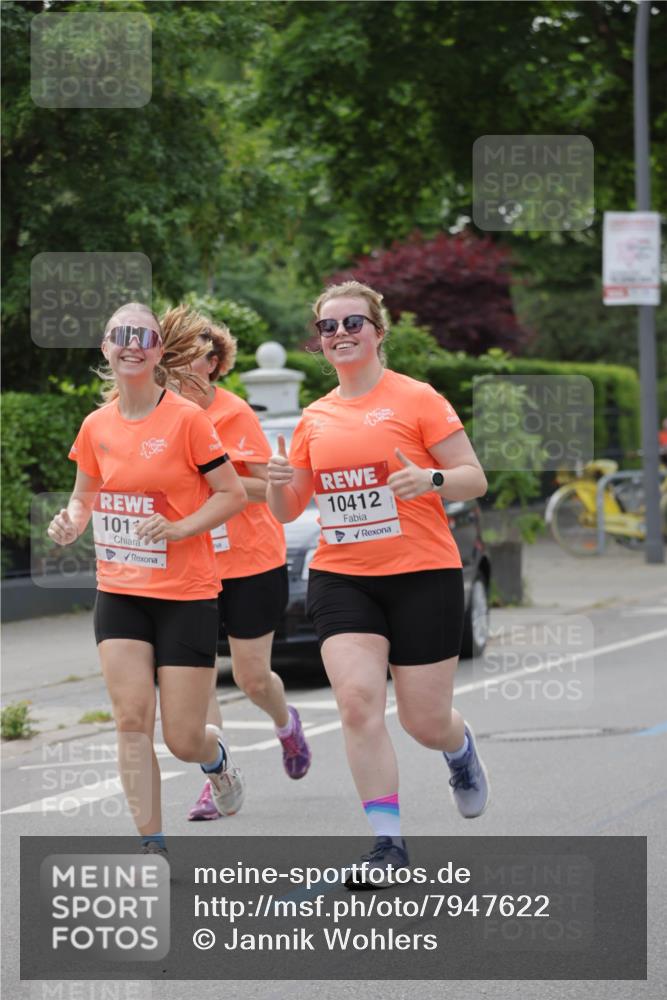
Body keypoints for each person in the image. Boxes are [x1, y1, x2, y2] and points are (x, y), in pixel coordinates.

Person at [267, 280, 490, 887]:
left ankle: (458, 748)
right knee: (357, 702)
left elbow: (474, 477)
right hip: (343, 576)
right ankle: (387, 844)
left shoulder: (417, 399)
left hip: (422, 573)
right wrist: (277, 479)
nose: (340, 334)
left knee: (423, 720)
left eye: (352, 324)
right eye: (329, 327)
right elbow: (288, 511)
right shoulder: (315, 418)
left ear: (378, 331)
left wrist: (433, 482)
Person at [47, 302, 248, 856]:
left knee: (183, 738)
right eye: (120, 335)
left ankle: (217, 762)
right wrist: (70, 523)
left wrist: (182, 528)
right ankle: (151, 845)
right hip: (120, 591)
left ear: (158, 351)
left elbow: (231, 495)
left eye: (144, 335)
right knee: (131, 719)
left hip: (185, 595)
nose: (132, 343)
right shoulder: (96, 426)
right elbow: (83, 498)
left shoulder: (187, 419)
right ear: (107, 348)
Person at [159, 305, 312, 822]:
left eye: (203, 356)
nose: (192, 366)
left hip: (249, 560)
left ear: (213, 362)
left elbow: (262, 489)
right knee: (199, 678)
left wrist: (211, 481)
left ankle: (286, 723)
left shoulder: (234, 413)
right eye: (181, 356)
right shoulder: (157, 417)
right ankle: (214, 777)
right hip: (189, 564)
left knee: (251, 678)